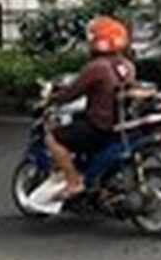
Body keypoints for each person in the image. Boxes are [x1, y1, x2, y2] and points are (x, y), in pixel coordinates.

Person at [46, 15, 136, 197]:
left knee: (52, 138)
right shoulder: (127, 65)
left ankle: (73, 182)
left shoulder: (96, 67)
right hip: (119, 125)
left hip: (99, 127)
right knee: (78, 120)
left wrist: (51, 99)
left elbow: (72, 93)